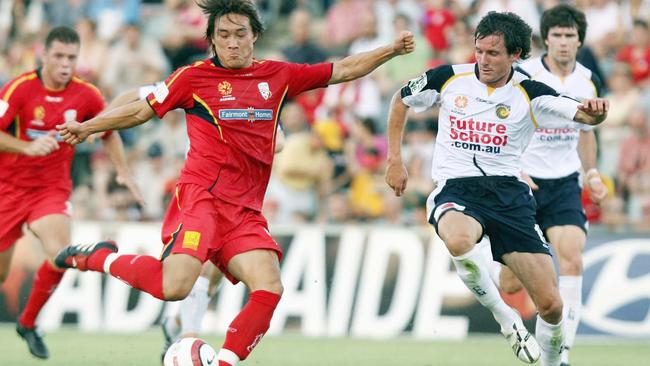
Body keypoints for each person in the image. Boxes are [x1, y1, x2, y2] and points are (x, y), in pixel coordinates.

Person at [54, 1, 415, 365]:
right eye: (223, 35)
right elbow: (139, 109)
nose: (232, 43)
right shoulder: (192, 78)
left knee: (269, 286)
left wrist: (391, 49)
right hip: (202, 200)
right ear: (211, 39)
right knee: (174, 287)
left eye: (240, 34)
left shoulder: (278, 75)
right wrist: (87, 127)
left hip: (245, 211)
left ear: (255, 36)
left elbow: (344, 68)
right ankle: (98, 258)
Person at [384, 11, 607, 366]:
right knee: (457, 238)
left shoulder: (531, 93)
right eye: (480, 51)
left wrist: (596, 112)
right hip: (457, 189)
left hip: (510, 197)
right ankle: (507, 319)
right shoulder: (448, 78)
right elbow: (401, 98)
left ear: (515, 55)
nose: (483, 61)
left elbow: (582, 116)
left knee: (551, 305)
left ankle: (553, 362)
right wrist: (395, 158)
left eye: (494, 54)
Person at [0, 26, 142, 359]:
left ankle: (29, 322)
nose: (66, 64)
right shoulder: (18, 89)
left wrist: (122, 171)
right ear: (44, 56)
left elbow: (108, 130)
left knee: (59, 253)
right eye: (59, 56)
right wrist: (27, 146)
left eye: (72, 58)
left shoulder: (87, 95)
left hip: (50, 190)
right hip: (7, 190)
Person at [494, 6, 607, 366]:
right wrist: (513, 168)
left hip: (563, 185)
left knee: (572, 258)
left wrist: (591, 174)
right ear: (546, 39)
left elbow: (585, 133)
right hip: (523, 184)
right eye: (556, 35)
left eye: (569, 35)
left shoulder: (588, 80)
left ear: (579, 40)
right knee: (511, 284)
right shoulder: (524, 75)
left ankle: (561, 353)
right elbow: (504, 124)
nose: (562, 42)